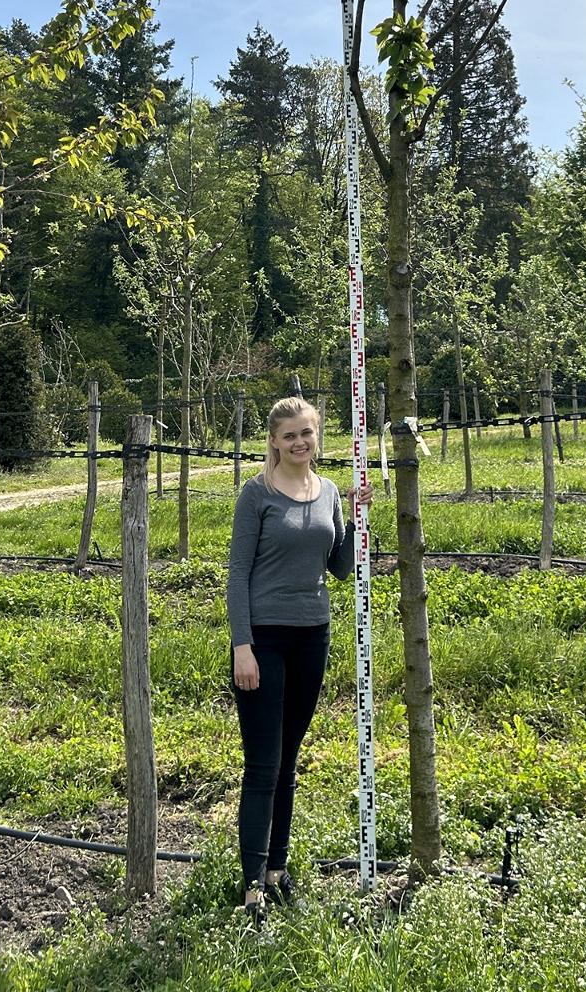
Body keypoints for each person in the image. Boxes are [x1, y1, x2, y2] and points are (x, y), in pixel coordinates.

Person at [226, 394, 371, 922]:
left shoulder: (329, 491)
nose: (299, 443)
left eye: (306, 433)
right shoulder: (256, 494)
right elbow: (238, 573)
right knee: (263, 765)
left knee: (288, 762)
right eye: (289, 436)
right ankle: (250, 888)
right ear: (273, 441)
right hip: (263, 641)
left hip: (313, 636)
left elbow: (338, 567)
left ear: (317, 436)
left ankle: (277, 871)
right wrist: (243, 646)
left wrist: (356, 519)